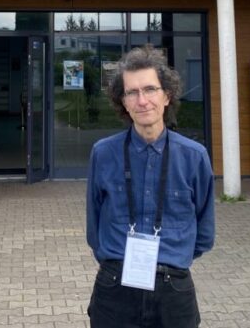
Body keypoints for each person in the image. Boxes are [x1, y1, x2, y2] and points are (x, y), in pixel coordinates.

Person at [86, 45, 215, 328]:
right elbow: (94, 227)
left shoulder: (194, 157)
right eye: (132, 92)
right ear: (123, 101)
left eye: (150, 89)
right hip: (115, 287)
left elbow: (205, 233)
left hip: (173, 291)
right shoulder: (103, 153)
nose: (142, 100)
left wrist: (170, 259)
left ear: (167, 95)